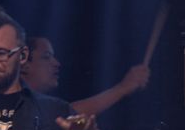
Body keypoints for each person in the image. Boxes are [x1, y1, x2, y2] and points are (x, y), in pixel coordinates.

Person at [21, 36, 150, 119]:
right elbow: (67, 114)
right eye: (46, 57)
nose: (56, 63)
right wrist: (123, 87)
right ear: (24, 63)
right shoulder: (18, 104)